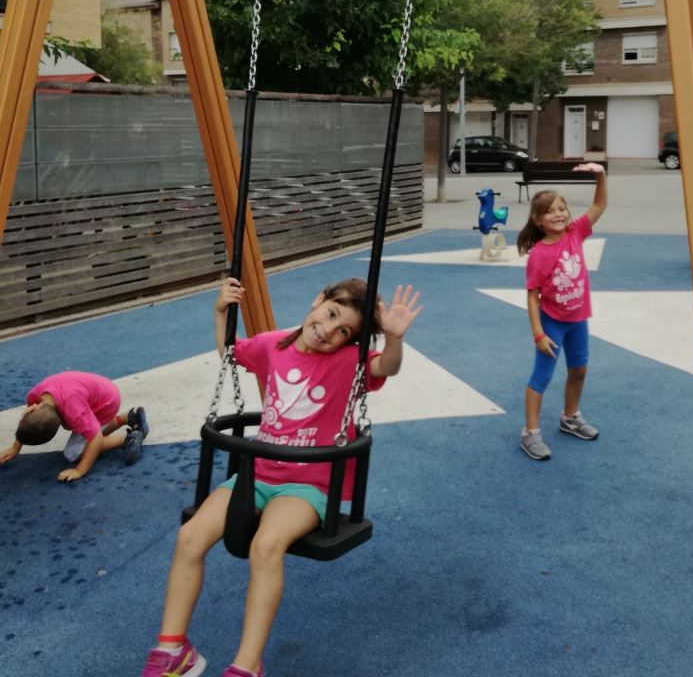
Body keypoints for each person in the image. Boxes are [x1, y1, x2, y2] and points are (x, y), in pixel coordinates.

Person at [140, 275, 423, 677]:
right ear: (318, 299)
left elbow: (386, 367)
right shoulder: (273, 344)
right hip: (258, 472)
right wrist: (221, 312)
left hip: (308, 485)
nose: (328, 331)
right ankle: (173, 651)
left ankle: (247, 666)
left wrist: (393, 338)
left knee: (266, 544)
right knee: (190, 537)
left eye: (344, 331)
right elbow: (231, 353)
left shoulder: (349, 362)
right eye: (331, 314)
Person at [516, 163, 607, 461]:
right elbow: (532, 297)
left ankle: (570, 417)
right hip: (552, 323)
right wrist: (538, 334)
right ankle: (530, 432)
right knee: (541, 377)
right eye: (550, 211)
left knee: (579, 371)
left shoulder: (575, 232)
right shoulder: (539, 254)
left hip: (578, 319)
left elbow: (599, 204)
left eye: (562, 208)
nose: (558, 214)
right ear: (538, 220)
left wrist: (600, 176)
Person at [0, 371, 149, 480]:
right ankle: (128, 418)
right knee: (87, 429)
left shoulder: (73, 410)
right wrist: (15, 448)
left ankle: (128, 438)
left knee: (73, 453)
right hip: (103, 389)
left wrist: (80, 470)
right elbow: (30, 422)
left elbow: (96, 438)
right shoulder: (34, 397)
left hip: (106, 404)